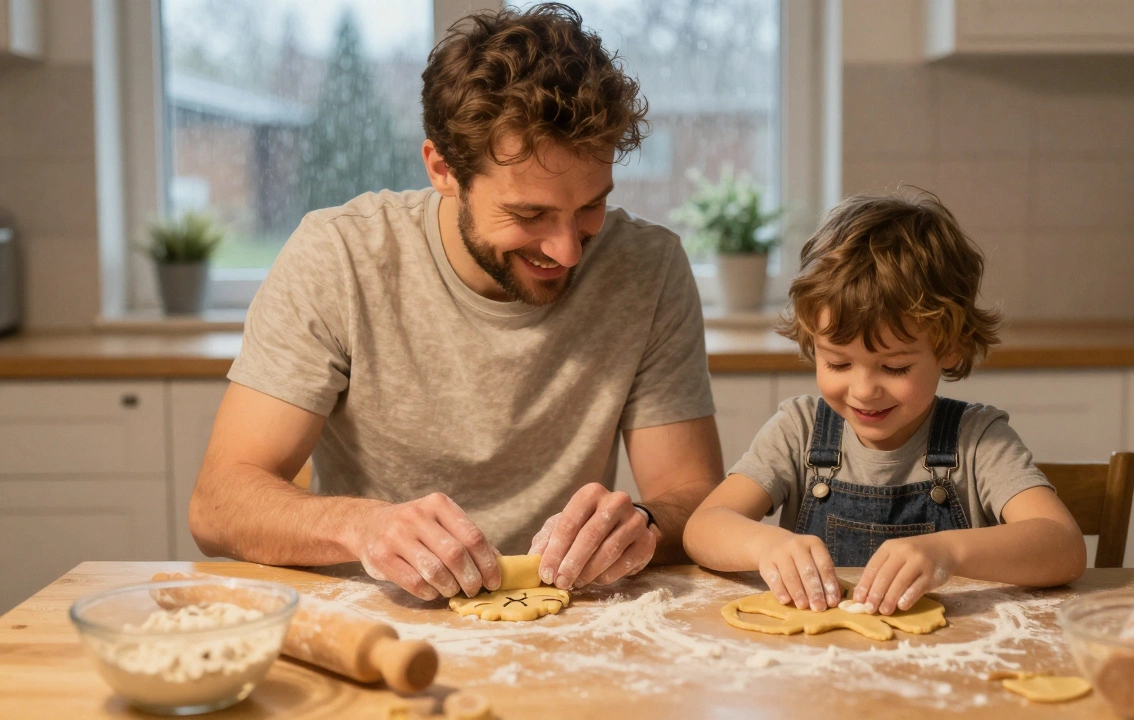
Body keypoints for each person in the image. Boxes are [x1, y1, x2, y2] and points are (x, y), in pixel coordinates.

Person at [189, 3, 723, 602]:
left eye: (591, 206)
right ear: (443, 168)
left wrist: (644, 526)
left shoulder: (648, 267)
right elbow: (219, 503)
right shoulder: (339, 256)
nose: (569, 250)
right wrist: (363, 527)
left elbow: (696, 498)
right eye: (530, 214)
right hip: (375, 622)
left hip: (572, 625)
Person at [683, 192, 1086, 615]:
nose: (863, 390)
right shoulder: (798, 430)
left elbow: (1064, 545)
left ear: (949, 348)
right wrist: (766, 545)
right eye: (838, 363)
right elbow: (703, 528)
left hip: (942, 663)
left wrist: (948, 552)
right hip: (818, 664)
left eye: (894, 368)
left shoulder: (976, 440)